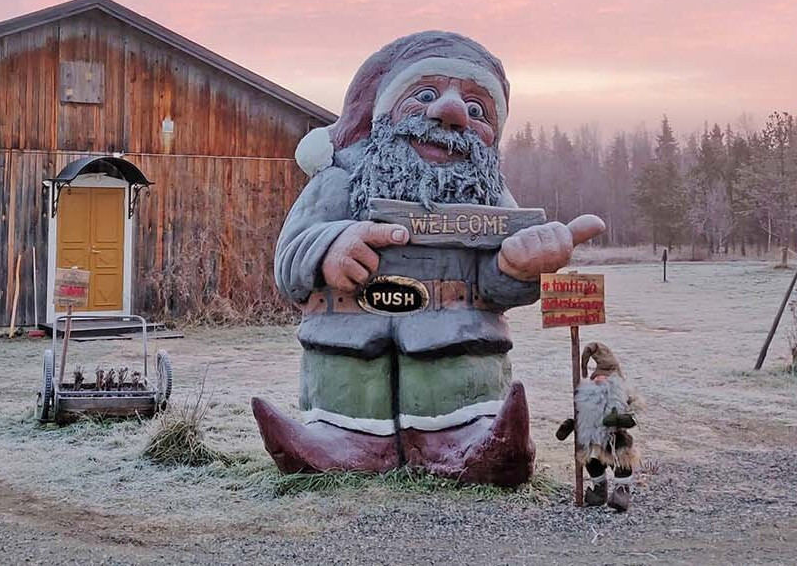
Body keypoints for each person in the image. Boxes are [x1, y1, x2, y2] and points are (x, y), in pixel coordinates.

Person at [251, 31, 604, 486]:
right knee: (350, 412)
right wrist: (332, 247)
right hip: (350, 362)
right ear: (384, 109)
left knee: (465, 417)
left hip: (458, 369)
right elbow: (289, 259)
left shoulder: (490, 194)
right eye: (424, 95)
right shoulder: (340, 178)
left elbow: (496, 287)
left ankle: (471, 438)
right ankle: (339, 437)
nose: (452, 113)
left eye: (476, 109)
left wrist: (517, 268)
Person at [555, 341, 641, 510]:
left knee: (621, 462)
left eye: (603, 378)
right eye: (595, 379)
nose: (598, 381)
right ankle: (599, 491)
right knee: (593, 463)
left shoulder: (619, 399)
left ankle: (621, 491)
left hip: (614, 441)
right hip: (593, 443)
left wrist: (617, 420)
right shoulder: (587, 402)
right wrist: (570, 425)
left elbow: (631, 419)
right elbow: (582, 418)